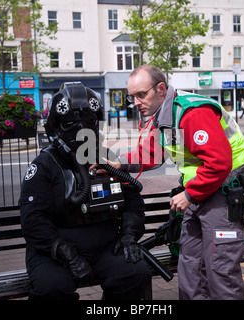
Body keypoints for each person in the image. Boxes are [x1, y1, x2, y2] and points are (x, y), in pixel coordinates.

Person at [96, 65, 244, 300]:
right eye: (132, 96)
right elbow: (153, 152)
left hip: (225, 190)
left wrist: (190, 194)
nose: (135, 102)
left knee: (220, 268)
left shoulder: (192, 112)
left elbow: (219, 163)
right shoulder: (165, 114)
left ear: (161, 89)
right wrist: (120, 165)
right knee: (190, 264)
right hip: (202, 190)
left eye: (141, 94)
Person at [19, 82, 151, 300]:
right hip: (57, 248)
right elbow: (33, 219)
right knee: (51, 288)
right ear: (56, 126)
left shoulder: (106, 159)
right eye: (70, 122)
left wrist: (129, 235)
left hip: (104, 245)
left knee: (135, 273)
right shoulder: (44, 165)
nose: (80, 130)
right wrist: (66, 253)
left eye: (88, 122)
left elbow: (132, 201)